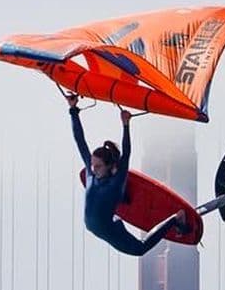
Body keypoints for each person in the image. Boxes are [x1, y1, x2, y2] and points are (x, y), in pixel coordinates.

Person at [69, 97, 189, 256]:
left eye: (98, 166)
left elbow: (126, 155)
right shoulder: (91, 174)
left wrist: (126, 125)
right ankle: (123, 199)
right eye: (92, 165)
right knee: (117, 201)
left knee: (140, 249)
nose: (93, 169)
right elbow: (80, 141)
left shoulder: (115, 183)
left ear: (109, 166)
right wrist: (73, 110)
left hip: (109, 229)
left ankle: (176, 218)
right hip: (102, 227)